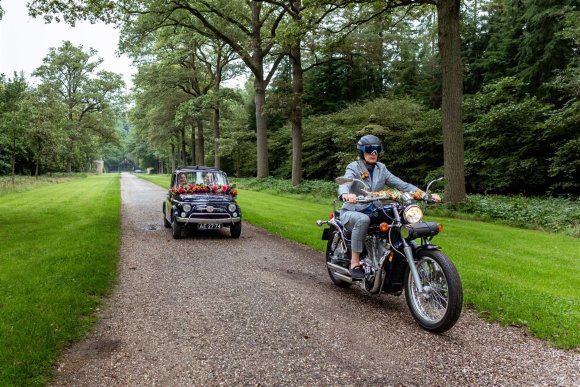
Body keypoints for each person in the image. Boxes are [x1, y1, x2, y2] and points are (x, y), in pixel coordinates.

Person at [338, 134, 440, 280]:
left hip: (374, 209)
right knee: (363, 220)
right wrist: (346, 195)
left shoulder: (381, 168)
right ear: (361, 151)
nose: (373, 153)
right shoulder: (354, 167)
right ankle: (355, 263)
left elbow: (401, 185)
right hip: (353, 210)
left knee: (399, 219)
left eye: (377, 149)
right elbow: (344, 183)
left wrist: (424, 194)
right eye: (369, 149)